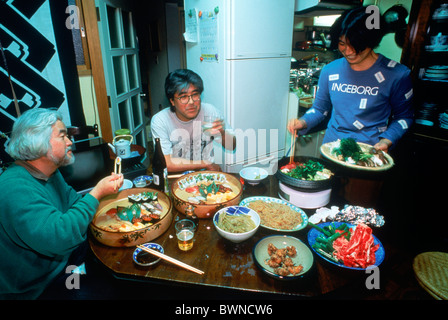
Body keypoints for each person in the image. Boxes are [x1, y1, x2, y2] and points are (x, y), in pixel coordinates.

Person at [0, 108, 124, 299]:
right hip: (39, 286)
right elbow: (61, 237)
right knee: (105, 292)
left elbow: (74, 203)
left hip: (65, 261)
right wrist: (97, 192)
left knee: (117, 266)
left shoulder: (50, 172)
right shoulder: (14, 188)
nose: (70, 142)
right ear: (38, 142)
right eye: (62, 136)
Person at [287, 6, 414, 153]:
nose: (348, 51)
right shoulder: (330, 70)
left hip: (370, 153)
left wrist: (387, 140)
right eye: (342, 43)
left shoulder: (397, 74)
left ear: (371, 41)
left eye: (356, 45)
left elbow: (404, 117)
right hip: (331, 151)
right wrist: (302, 122)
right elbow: (320, 109)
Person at [151, 69, 236, 172]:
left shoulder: (210, 112)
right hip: (176, 175)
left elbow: (232, 146)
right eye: (183, 97)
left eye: (195, 95)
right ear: (172, 101)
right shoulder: (160, 121)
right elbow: (166, 162)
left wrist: (222, 133)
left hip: (205, 173)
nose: (191, 102)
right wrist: (205, 163)